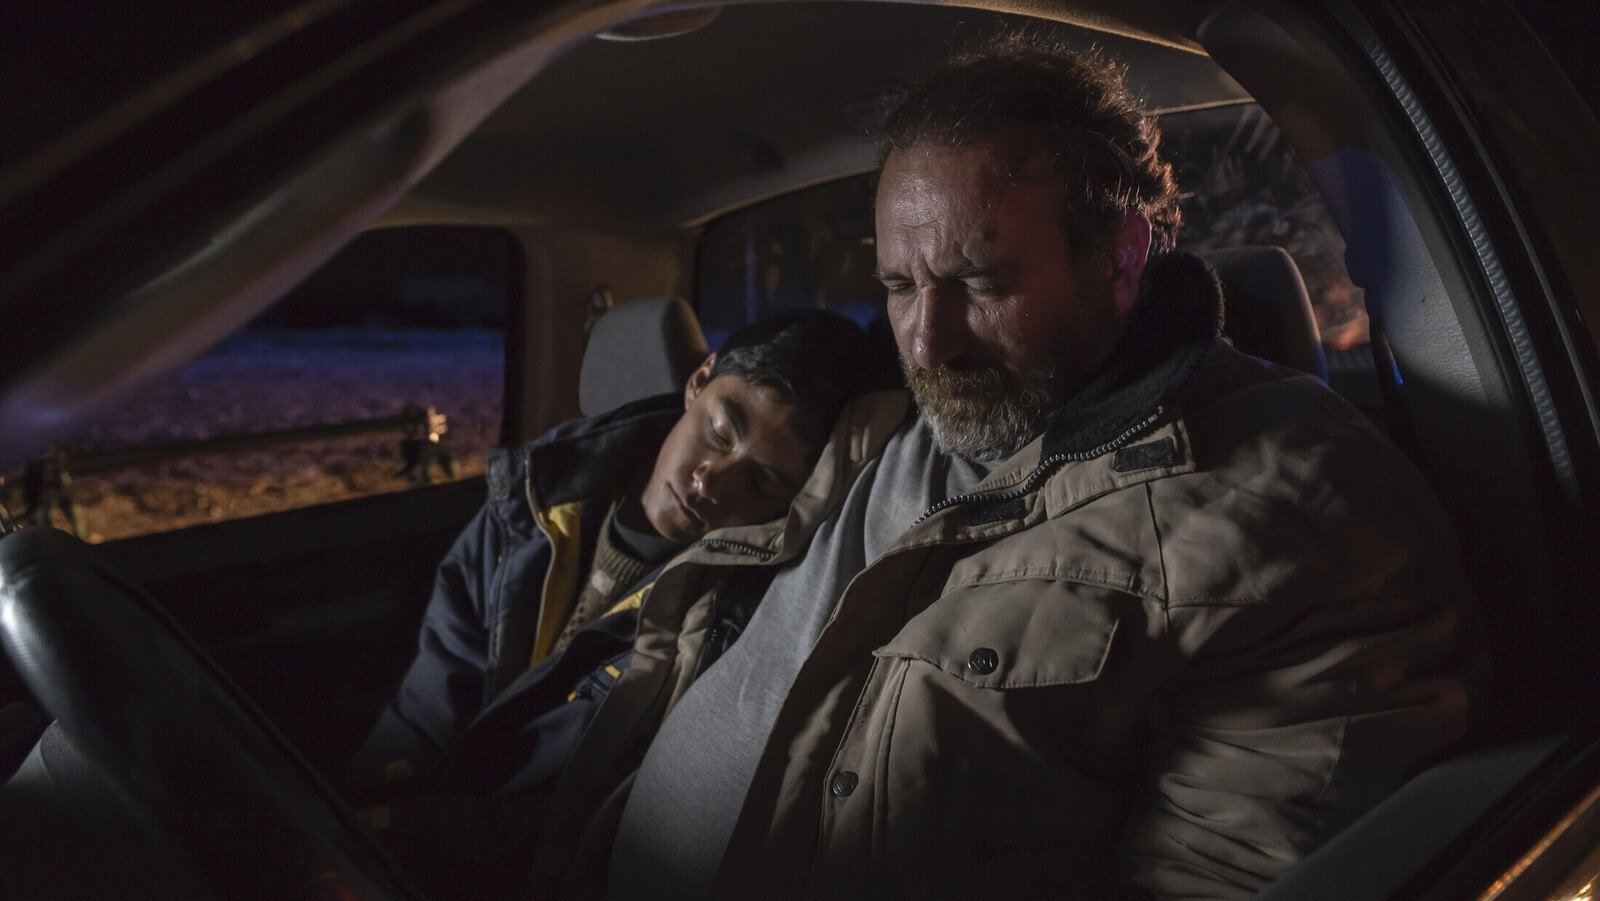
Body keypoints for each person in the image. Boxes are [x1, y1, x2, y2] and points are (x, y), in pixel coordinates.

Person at [354, 309, 879, 788]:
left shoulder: (729, 624)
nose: (710, 482)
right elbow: (426, 710)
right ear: (699, 381)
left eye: (763, 483)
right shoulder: (533, 502)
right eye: (720, 434)